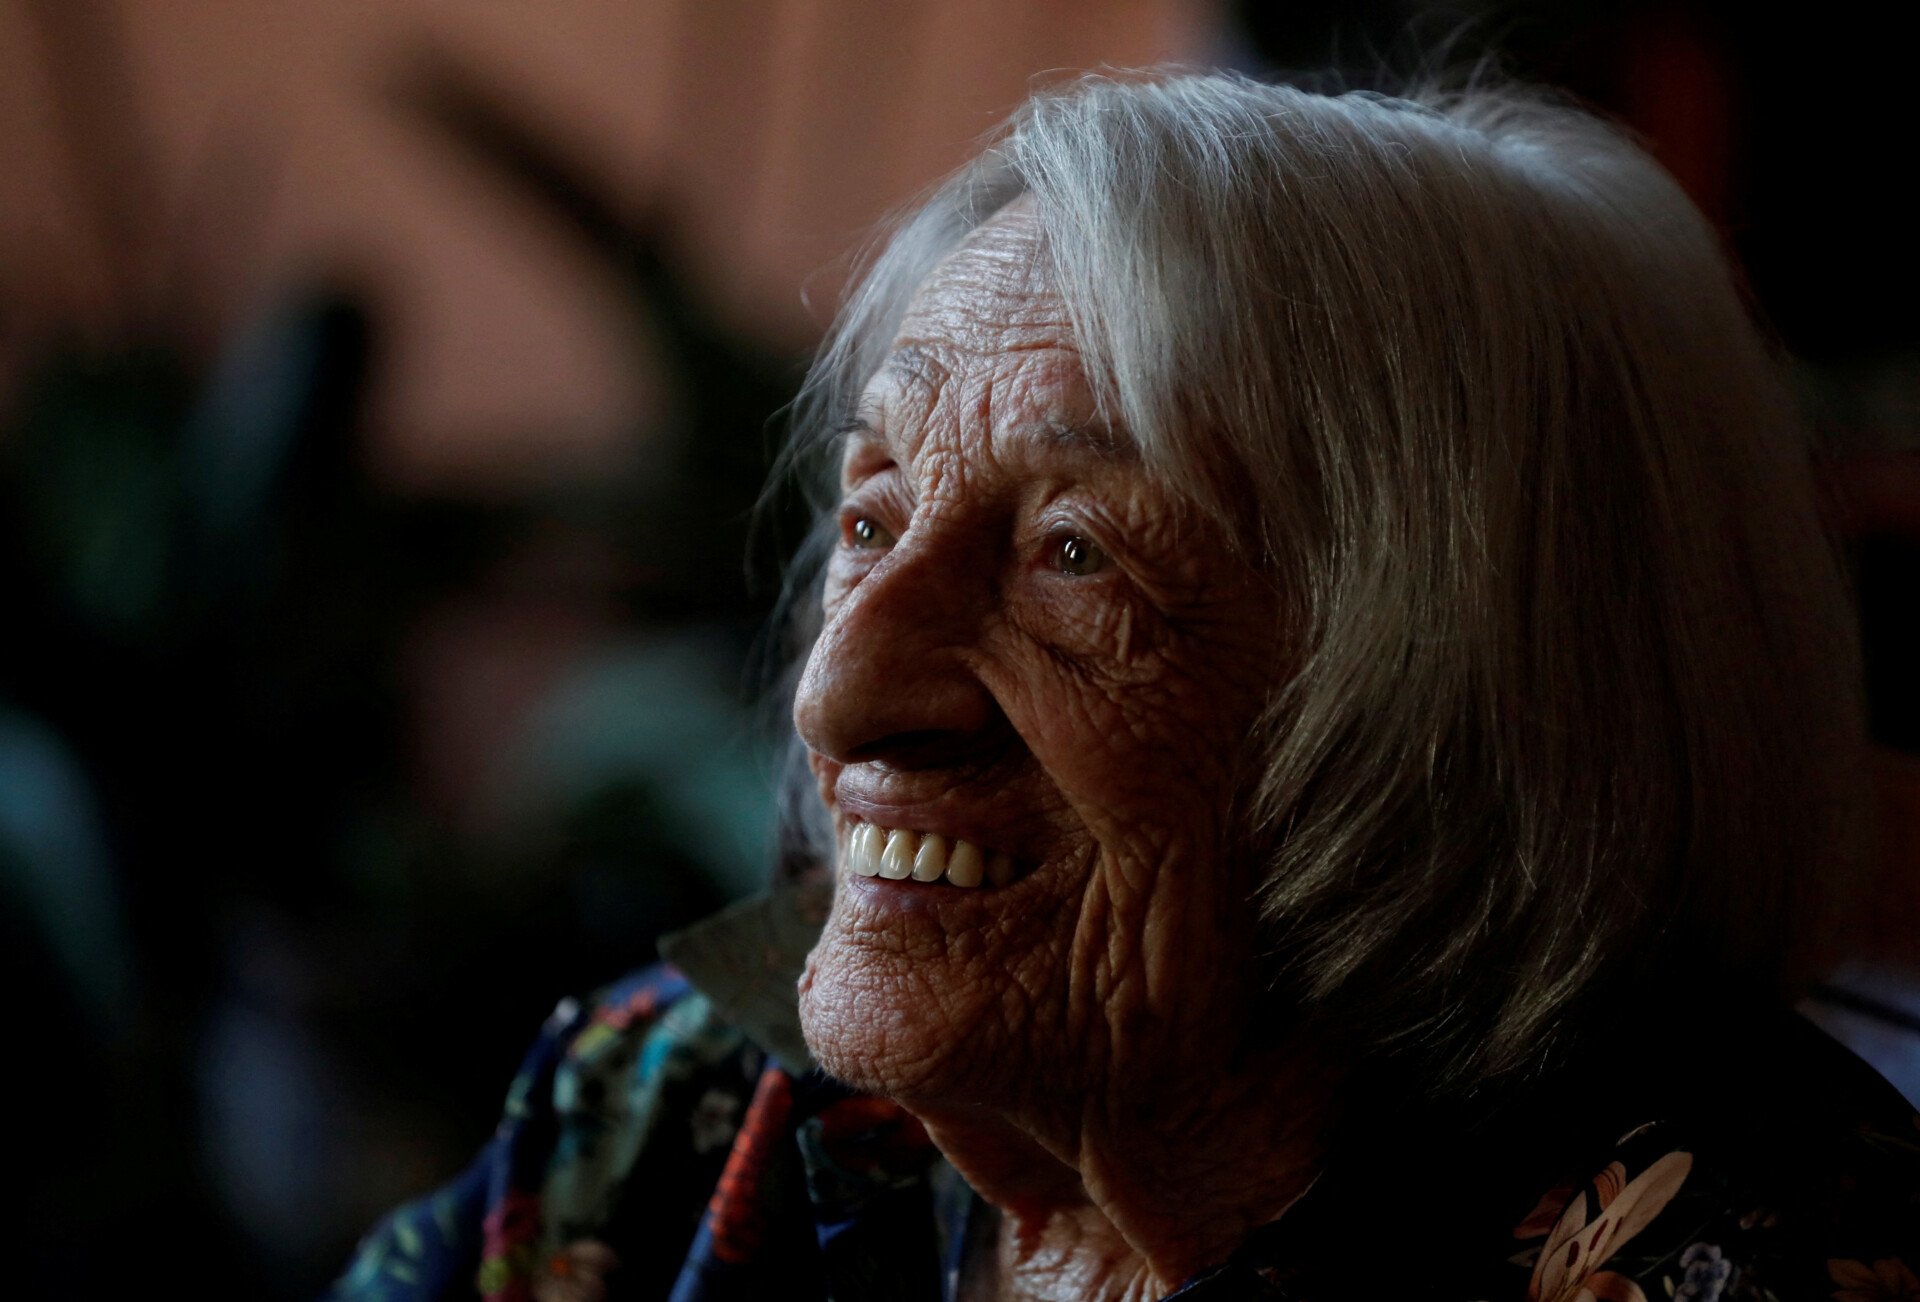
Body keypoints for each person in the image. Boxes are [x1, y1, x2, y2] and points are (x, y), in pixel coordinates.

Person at [329, 70, 1920, 1302]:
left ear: (1457, 706)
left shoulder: (1748, 1260)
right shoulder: (665, 1105)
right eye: (873, 518)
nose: (840, 692)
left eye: (1076, 555)